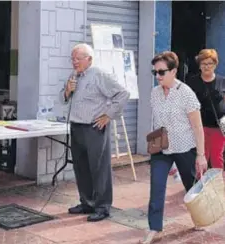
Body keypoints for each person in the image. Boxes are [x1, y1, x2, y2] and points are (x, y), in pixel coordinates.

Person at [140, 51, 207, 244]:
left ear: (174, 71)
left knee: (191, 186)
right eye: (155, 73)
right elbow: (159, 121)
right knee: (157, 186)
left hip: (185, 147)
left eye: (162, 72)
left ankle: (199, 218)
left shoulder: (186, 93)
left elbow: (197, 126)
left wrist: (201, 155)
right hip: (162, 147)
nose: (158, 76)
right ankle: (154, 227)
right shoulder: (155, 93)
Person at [60, 43, 130, 222]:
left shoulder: (99, 75)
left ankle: (102, 207)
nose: (74, 62)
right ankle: (86, 202)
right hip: (76, 126)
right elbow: (63, 98)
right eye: (72, 58)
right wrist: (68, 90)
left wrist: (108, 115)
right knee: (81, 167)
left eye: (78, 58)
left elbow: (123, 94)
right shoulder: (74, 76)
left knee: (99, 168)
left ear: (89, 59)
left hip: (94, 128)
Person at [187, 49, 225, 170]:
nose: (207, 66)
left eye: (210, 63)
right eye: (203, 63)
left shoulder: (222, 81)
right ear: (199, 65)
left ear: (215, 64)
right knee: (200, 157)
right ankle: (200, 185)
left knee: (216, 157)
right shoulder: (193, 82)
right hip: (198, 127)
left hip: (218, 127)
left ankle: (218, 185)